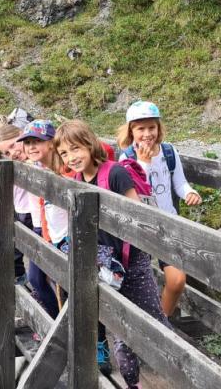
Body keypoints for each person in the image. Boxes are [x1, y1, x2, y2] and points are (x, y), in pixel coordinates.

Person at [56, 119, 172, 388]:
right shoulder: (75, 180)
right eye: (64, 153)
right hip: (104, 265)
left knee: (155, 321)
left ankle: (183, 372)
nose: (71, 157)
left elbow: (137, 217)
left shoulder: (116, 173)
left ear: (90, 144)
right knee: (120, 331)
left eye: (76, 149)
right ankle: (133, 384)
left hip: (131, 263)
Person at [117, 101, 202, 317]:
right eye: (140, 128)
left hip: (168, 224)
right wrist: (143, 163)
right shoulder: (126, 158)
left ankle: (160, 322)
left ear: (158, 128)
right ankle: (143, 326)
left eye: (151, 127)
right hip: (142, 227)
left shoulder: (169, 151)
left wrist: (190, 193)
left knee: (177, 280)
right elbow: (136, 193)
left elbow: (179, 183)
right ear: (131, 130)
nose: (147, 134)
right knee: (138, 283)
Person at [15, 119, 66, 318]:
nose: (31, 147)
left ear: (52, 143)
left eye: (37, 141)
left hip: (64, 234)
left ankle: (63, 324)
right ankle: (56, 320)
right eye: (27, 143)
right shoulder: (33, 168)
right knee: (36, 278)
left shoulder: (63, 168)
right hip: (44, 229)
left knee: (60, 283)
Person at [0, 124, 36, 287]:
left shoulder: (34, 159)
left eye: (13, 145)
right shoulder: (15, 164)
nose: (13, 153)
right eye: (7, 152)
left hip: (37, 214)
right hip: (23, 210)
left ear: (22, 135)